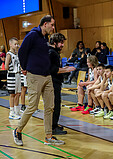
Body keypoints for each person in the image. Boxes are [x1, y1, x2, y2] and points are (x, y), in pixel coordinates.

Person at [13, 15, 64, 146]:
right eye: (52, 25)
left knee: (50, 107)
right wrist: (24, 67)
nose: (53, 28)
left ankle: (48, 136)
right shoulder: (32, 35)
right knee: (32, 107)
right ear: (45, 24)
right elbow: (22, 52)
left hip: (47, 77)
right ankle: (18, 130)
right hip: (34, 76)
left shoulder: (44, 38)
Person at [49, 33, 76, 135]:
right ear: (54, 42)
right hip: (52, 82)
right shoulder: (51, 52)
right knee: (54, 105)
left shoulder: (54, 52)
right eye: (61, 42)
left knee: (57, 105)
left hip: (56, 82)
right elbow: (51, 69)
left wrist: (64, 69)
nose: (62, 45)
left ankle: (55, 125)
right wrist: (65, 70)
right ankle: (52, 127)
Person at [5, 37, 21, 120]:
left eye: (17, 44)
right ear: (10, 44)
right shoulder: (9, 54)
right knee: (12, 94)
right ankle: (11, 112)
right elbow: (6, 66)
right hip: (12, 75)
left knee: (18, 93)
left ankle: (16, 110)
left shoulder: (16, 54)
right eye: (15, 44)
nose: (16, 45)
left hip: (18, 75)